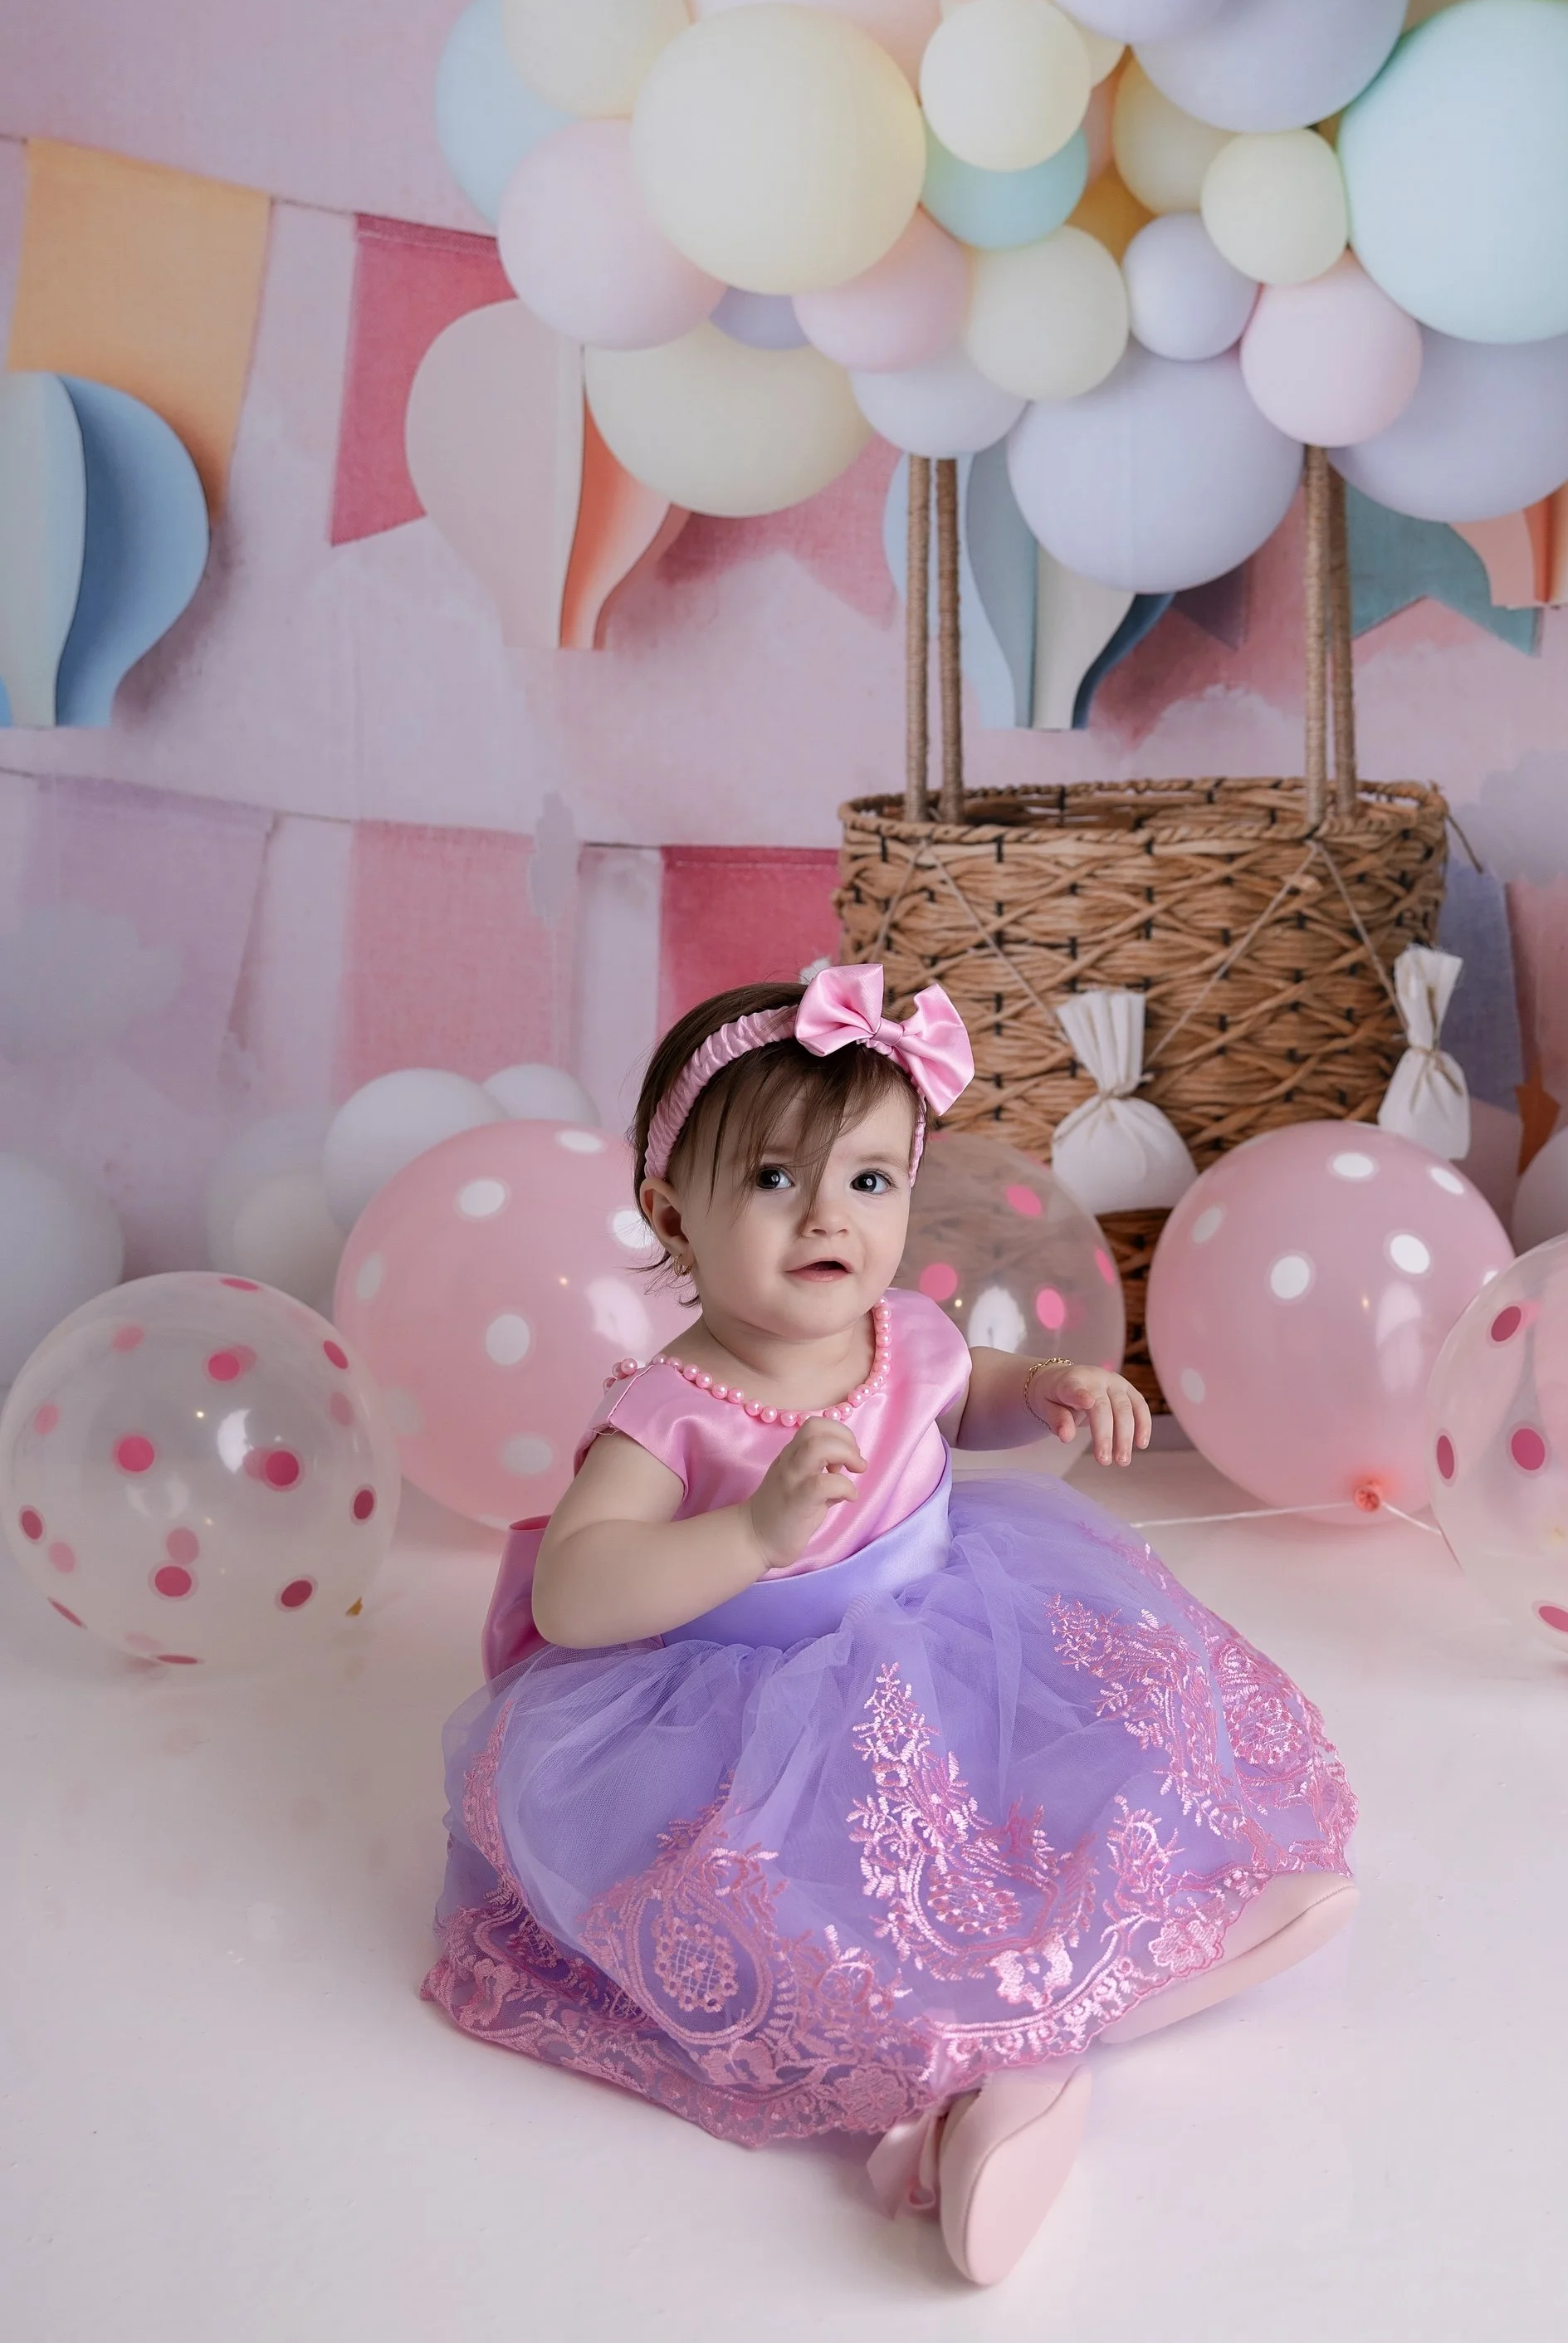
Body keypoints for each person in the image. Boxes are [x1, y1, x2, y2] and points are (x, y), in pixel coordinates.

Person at [423, 965, 1357, 2285]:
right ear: (667, 1208)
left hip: (948, 1636)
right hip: (748, 1709)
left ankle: (1158, 1934)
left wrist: (1053, 1387)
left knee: (1101, 1734)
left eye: (867, 1180)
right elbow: (577, 1592)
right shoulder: (671, 1409)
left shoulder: (900, 1331)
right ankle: (976, 2081)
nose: (827, 1216)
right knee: (820, 1908)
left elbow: (970, 1389)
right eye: (769, 1180)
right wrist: (749, 1536)